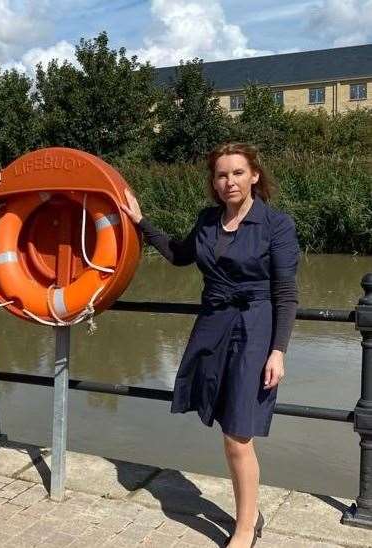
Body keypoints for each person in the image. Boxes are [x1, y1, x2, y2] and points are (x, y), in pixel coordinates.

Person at [119, 143, 299, 547]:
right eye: (221, 175)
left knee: (238, 433)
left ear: (254, 175)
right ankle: (249, 511)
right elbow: (179, 255)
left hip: (254, 329)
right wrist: (141, 221)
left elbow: (286, 295)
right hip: (214, 326)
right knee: (226, 428)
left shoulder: (276, 225)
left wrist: (278, 351)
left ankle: (245, 526)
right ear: (213, 183)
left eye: (237, 173)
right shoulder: (207, 221)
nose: (229, 181)